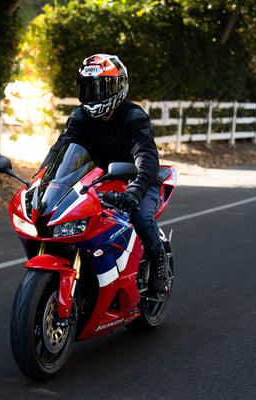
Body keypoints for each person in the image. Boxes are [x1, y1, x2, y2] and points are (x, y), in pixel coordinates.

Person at [39, 53, 169, 293]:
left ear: (118, 87)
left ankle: (158, 257)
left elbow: (146, 157)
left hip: (137, 181)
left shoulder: (134, 116)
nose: (94, 95)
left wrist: (135, 190)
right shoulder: (79, 116)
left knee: (141, 219)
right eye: (88, 88)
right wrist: (41, 181)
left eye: (101, 88)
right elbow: (60, 150)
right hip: (96, 182)